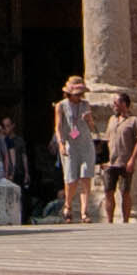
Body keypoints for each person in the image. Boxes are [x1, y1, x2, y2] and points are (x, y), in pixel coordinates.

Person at [100, 89, 137, 226]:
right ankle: (110, 220)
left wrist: (132, 160)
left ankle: (125, 220)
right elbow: (107, 140)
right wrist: (102, 159)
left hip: (125, 161)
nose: (113, 105)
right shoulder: (112, 120)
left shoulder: (134, 121)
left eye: (116, 102)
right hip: (111, 162)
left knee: (125, 191)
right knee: (108, 191)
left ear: (124, 104)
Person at [54, 76, 96, 223]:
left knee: (86, 176)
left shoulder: (85, 104)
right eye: (77, 94)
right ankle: (68, 205)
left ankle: (84, 211)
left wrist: (89, 120)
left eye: (81, 94)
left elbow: (92, 128)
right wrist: (61, 144)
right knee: (71, 178)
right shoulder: (61, 106)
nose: (79, 96)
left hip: (85, 144)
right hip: (70, 144)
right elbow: (58, 127)